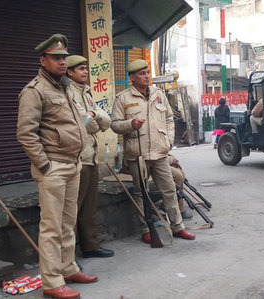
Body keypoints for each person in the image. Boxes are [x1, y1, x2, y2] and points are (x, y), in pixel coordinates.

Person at [16, 34, 97, 299]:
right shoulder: (35, 91)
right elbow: (26, 133)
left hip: (72, 163)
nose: (62, 62)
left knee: (66, 222)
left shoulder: (65, 87)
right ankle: (52, 282)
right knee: (51, 226)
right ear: (43, 60)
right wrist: (44, 165)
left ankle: (68, 268)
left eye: (64, 57)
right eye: (56, 58)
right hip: (53, 167)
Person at [110, 59, 195, 244]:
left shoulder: (158, 94)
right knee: (141, 193)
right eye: (141, 73)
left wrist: (168, 140)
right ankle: (145, 229)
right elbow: (115, 125)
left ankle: (178, 227)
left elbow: (170, 119)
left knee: (170, 190)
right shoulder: (123, 98)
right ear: (132, 77)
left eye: (147, 72)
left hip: (159, 152)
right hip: (137, 154)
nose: (146, 75)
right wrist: (130, 124)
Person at [66, 55, 114, 259]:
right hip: (79, 157)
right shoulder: (68, 92)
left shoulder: (86, 93)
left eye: (86, 68)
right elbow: (86, 123)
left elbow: (106, 120)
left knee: (90, 206)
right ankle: (69, 256)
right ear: (69, 72)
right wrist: (93, 118)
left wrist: (93, 116)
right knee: (72, 209)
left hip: (92, 155)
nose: (85, 72)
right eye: (80, 69)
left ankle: (91, 246)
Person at [168, 155, 193, 220]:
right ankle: (179, 209)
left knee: (179, 172)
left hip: (161, 159)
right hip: (153, 162)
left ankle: (177, 205)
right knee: (177, 175)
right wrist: (170, 160)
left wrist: (172, 158)